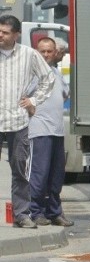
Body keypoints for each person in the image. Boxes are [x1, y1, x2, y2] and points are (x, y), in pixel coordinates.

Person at [0, 15, 55, 229]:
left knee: (20, 170)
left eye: (5, 32)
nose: (1, 35)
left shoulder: (29, 55)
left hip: (18, 120)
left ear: (16, 35)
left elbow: (47, 79)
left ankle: (21, 215)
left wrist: (33, 100)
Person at [21, 37, 74, 227]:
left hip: (57, 131)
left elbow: (65, 93)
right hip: (39, 131)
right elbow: (20, 97)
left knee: (56, 175)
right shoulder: (32, 74)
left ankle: (54, 212)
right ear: (37, 52)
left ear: (55, 53)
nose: (45, 55)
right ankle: (36, 212)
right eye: (42, 51)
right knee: (39, 174)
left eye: (49, 51)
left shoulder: (56, 74)